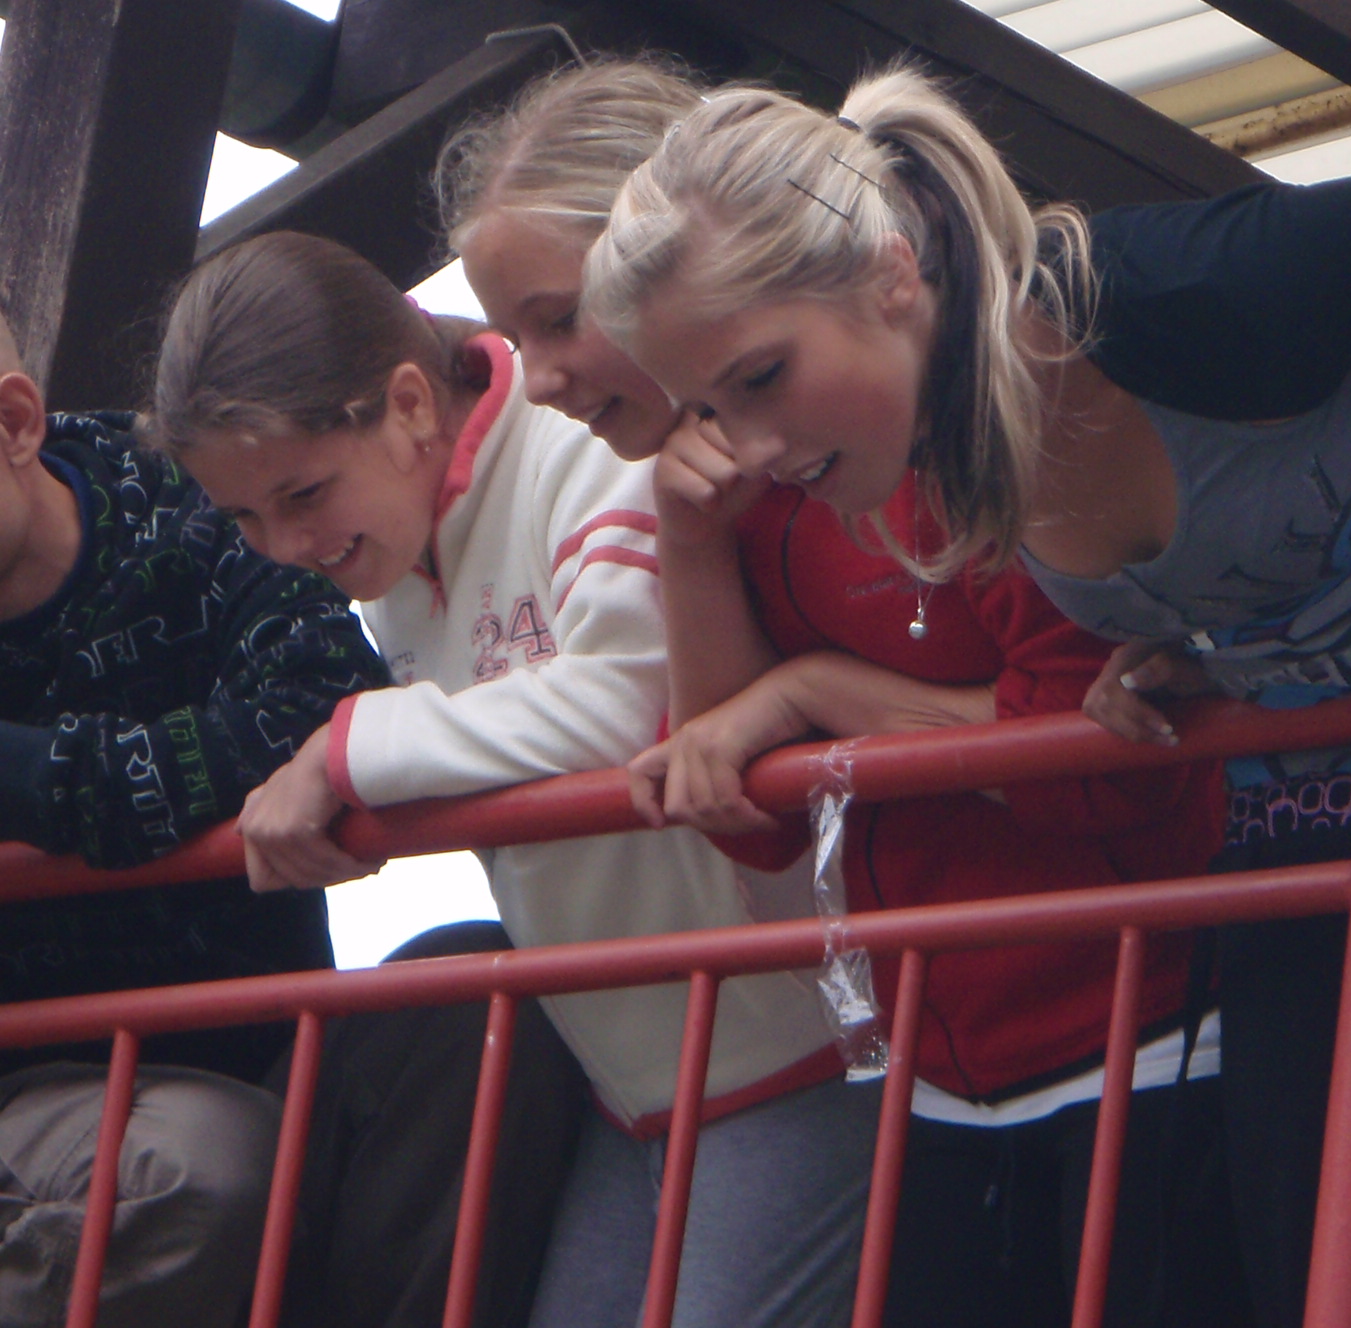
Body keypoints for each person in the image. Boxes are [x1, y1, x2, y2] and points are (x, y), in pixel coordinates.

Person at [582, 69, 1351, 1328]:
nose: (750, 446)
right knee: (1303, 1291)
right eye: (711, 409)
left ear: (892, 275)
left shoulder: (1182, 291)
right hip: (1306, 833)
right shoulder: (946, 453)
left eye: (762, 377)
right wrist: (1196, 645)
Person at [435, 56, 1241, 1327]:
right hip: (944, 1073)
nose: (536, 376)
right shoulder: (741, 492)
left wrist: (815, 692)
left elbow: (1103, 761)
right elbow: (739, 806)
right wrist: (696, 545)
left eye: (561, 317)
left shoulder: (963, 421)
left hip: (1145, 1034)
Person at [142, 232, 865, 1328]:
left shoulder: (577, 443)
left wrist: (343, 750)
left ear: (409, 404)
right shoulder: (395, 550)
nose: (281, 545)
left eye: (302, 493)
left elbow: (627, 703)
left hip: (799, 1049)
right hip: (638, 1091)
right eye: (245, 517)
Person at [0, 305, 382, 1326]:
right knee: (200, 1163)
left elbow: (327, 688)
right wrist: (203, 776)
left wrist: (48, 783)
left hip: (272, 1053)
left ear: (17, 424)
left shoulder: (191, 496)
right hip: (44, 1100)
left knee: (470, 1001)